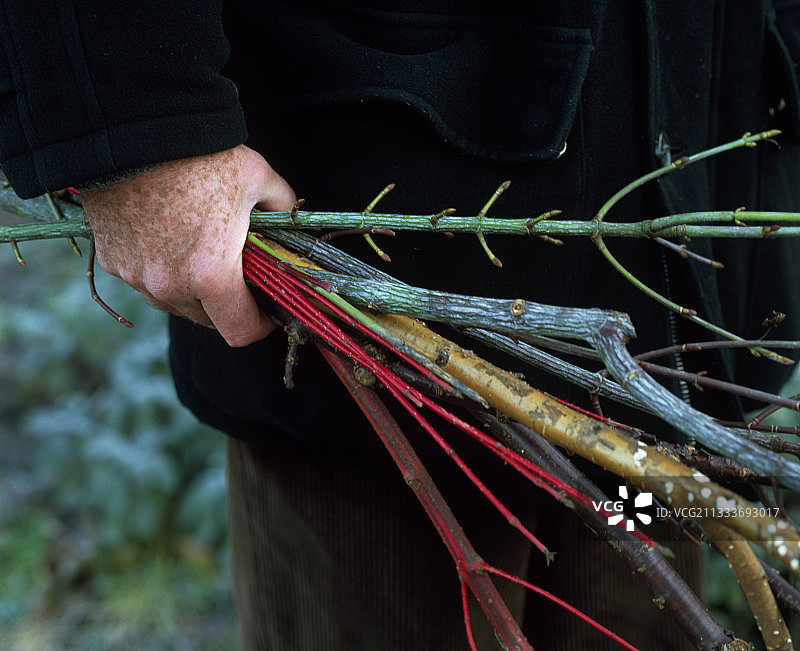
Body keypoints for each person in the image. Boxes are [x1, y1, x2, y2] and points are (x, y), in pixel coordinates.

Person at [3, 2, 800, 649]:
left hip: (674, 367)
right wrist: (134, 114)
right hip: (377, 392)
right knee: (386, 586)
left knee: (639, 596)